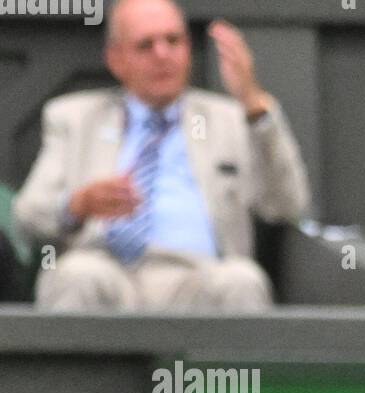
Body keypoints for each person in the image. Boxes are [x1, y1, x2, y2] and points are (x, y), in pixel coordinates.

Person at [12, 0, 310, 312]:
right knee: (74, 276)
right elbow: (28, 215)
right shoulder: (74, 118)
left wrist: (254, 106)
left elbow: (287, 206)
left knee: (243, 280)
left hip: (200, 276)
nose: (162, 55)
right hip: (108, 272)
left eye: (173, 41)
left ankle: (232, 366)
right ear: (116, 59)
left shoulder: (231, 119)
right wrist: (78, 205)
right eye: (145, 45)